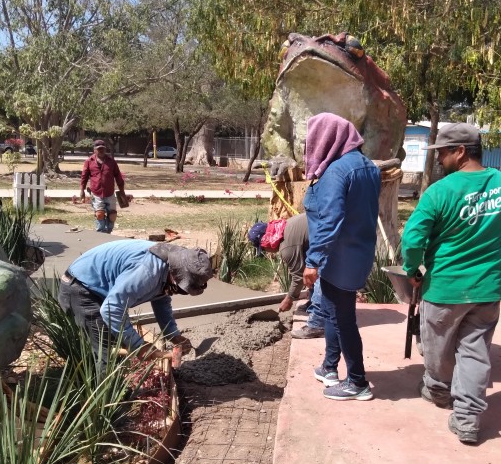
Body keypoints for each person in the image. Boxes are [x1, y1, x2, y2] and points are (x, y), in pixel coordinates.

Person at [401, 123, 501, 444]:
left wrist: (412, 269)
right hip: (485, 291)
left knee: (436, 348)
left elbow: (412, 238)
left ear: (460, 151)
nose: (439, 160)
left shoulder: (439, 191)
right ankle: (466, 419)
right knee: (475, 353)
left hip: (443, 290)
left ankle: (438, 390)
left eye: (443, 153)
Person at [302, 112, 381, 401]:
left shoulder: (337, 171)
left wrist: (313, 260)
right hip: (357, 252)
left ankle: (357, 382)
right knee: (333, 312)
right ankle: (329, 368)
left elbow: (329, 220)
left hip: (339, 257)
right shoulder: (367, 166)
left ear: (327, 138)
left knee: (343, 318)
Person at [58, 241, 213, 368]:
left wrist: (173, 334)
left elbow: (161, 299)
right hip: (81, 289)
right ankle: (112, 402)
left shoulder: (169, 263)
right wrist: (138, 345)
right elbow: (111, 309)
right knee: (105, 354)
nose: (178, 291)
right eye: (181, 286)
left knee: (113, 341)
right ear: (176, 273)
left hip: (98, 289)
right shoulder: (147, 271)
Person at [248, 214, 326, 339]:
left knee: (322, 274)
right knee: (312, 267)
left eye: (262, 248)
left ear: (266, 240)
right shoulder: (286, 226)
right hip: (329, 233)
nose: (266, 251)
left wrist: (289, 299)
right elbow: (306, 264)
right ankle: (314, 303)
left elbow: (298, 276)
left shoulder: (287, 247)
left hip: (336, 239)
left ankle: (318, 325)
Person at [80, 140, 128, 233]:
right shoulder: (89, 162)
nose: (101, 150)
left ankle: (109, 232)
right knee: (99, 214)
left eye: (103, 149)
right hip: (96, 193)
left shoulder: (112, 162)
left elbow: (118, 177)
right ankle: (100, 234)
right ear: (94, 150)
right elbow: (84, 177)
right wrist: (82, 190)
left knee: (112, 215)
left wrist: (122, 191)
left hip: (109, 193)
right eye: (99, 149)